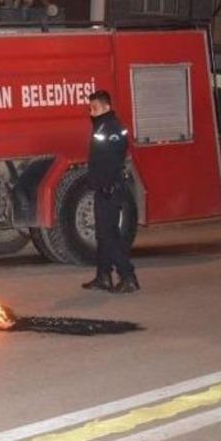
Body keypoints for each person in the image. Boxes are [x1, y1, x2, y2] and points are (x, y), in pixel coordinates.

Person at [81, 90, 140, 294]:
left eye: (95, 107)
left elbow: (112, 161)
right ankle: (103, 276)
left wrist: (105, 184)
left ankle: (128, 277)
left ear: (107, 107)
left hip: (110, 189)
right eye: (90, 108)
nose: (92, 111)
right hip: (103, 188)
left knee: (109, 236)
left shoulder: (112, 128)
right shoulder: (102, 126)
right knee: (102, 235)